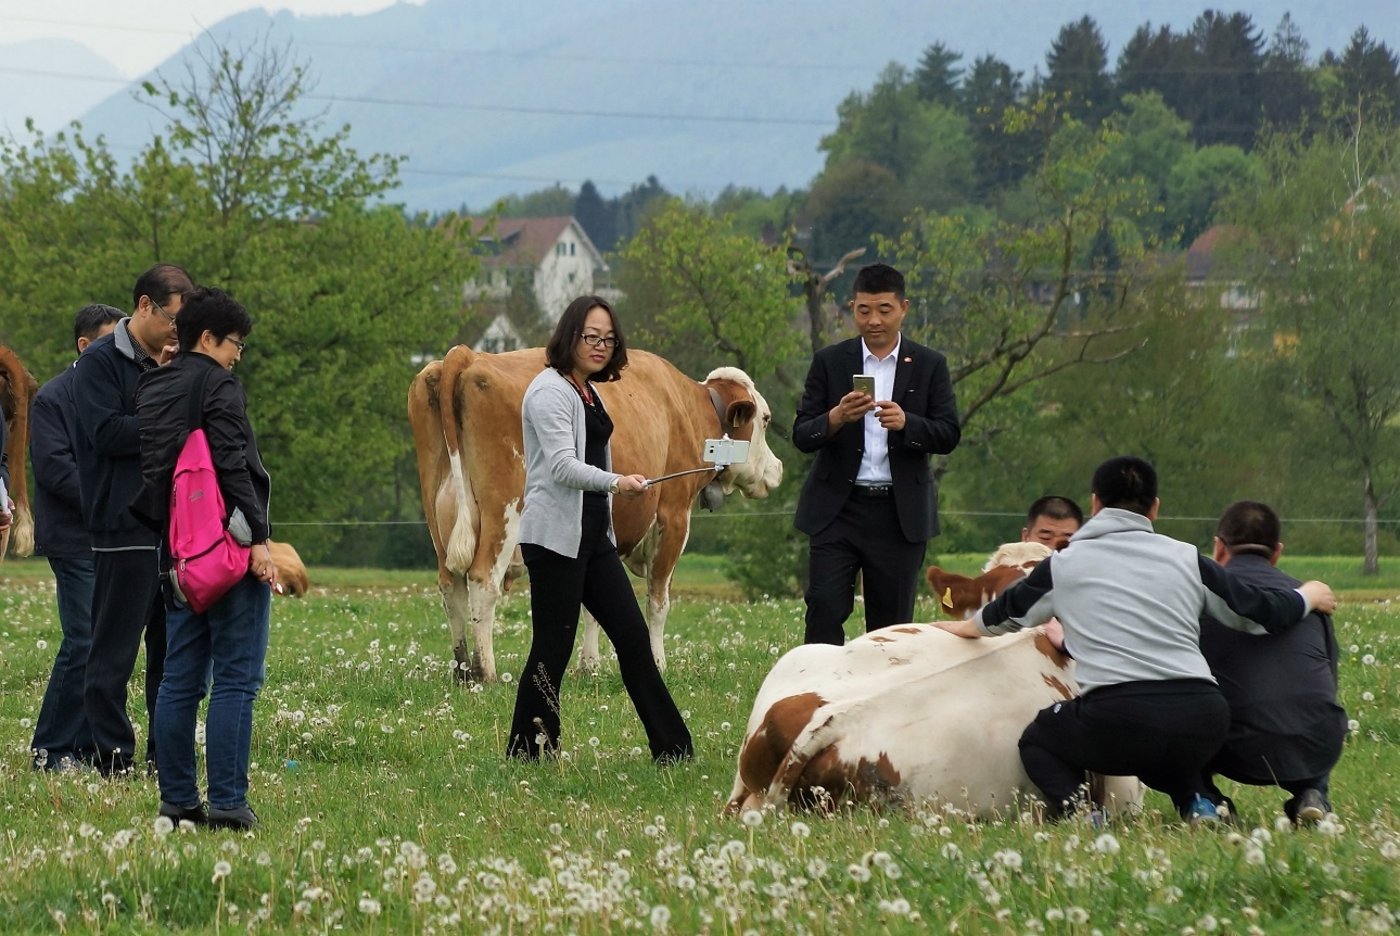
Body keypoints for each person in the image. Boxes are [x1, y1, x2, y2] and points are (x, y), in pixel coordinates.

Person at [936, 456, 1338, 824]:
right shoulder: (1187, 558)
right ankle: (1200, 804)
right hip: (1204, 717)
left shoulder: (1065, 564)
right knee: (1170, 747)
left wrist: (964, 628)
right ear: (1155, 508)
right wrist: (1309, 595)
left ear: (1094, 505)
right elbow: (1261, 612)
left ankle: (1082, 813)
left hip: (1120, 719)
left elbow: (1007, 613)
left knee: (1041, 739)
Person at [505, 295, 692, 764]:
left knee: (632, 638)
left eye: (608, 339)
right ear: (570, 335)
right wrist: (618, 483)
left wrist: (613, 496)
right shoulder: (549, 391)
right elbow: (563, 467)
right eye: (591, 336)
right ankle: (530, 751)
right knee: (552, 649)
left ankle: (673, 748)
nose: (600, 346)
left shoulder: (587, 390)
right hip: (553, 542)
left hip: (593, 541)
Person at [130, 287, 275, 830]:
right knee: (237, 678)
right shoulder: (219, 385)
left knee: (178, 680)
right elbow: (233, 466)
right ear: (208, 338)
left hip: (177, 555)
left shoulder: (155, 382)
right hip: (227, 551)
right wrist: (258, 539)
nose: (239, 353)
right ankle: (230, 804)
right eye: (235, 342)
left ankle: (177, 800)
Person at [794, 263, 961, 645]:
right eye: (864, 310)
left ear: (903, 307)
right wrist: (835, 418)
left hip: (898, 511)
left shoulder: (929, 364)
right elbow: (802, 433)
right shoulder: (830, 361)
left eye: (884, 310)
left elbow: (948, 433)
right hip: (838, 507)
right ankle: (820, 690)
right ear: (851, 307)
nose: (874, 321)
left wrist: (908, 424)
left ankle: (880, 697)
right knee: (823, 604)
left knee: (891, 625)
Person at [72, 263, 193, 775]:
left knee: (170, 656)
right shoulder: (99, 364)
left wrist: (171, 382)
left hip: (173, 530)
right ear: (145, 305)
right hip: (121, 526)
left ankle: (165, 756)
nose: (176, 331)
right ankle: (112, 759)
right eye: (172, 319)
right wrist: (166, 405)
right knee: (113, 656)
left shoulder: (173, 362)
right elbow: (107, 434)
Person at [1199, 501, 1347, 827]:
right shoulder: (1314, 598)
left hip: (1230, 747)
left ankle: (1206, 799)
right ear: (1277, 552)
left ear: (1219, 547)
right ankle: (1312, 792)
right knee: (1313, 702)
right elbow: (1329, 678)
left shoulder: (1201, 597)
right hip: (1315, 742)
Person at [29, 304, 125, 770]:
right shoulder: (52, 399)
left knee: (106, 644)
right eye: (109, 342)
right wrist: (113, 499)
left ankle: (88, 748)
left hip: (118, 538)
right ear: (85, 346)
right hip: (74, 539)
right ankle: (50, 747)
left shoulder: (122, 391)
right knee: (83, 639)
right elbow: (55, 471)